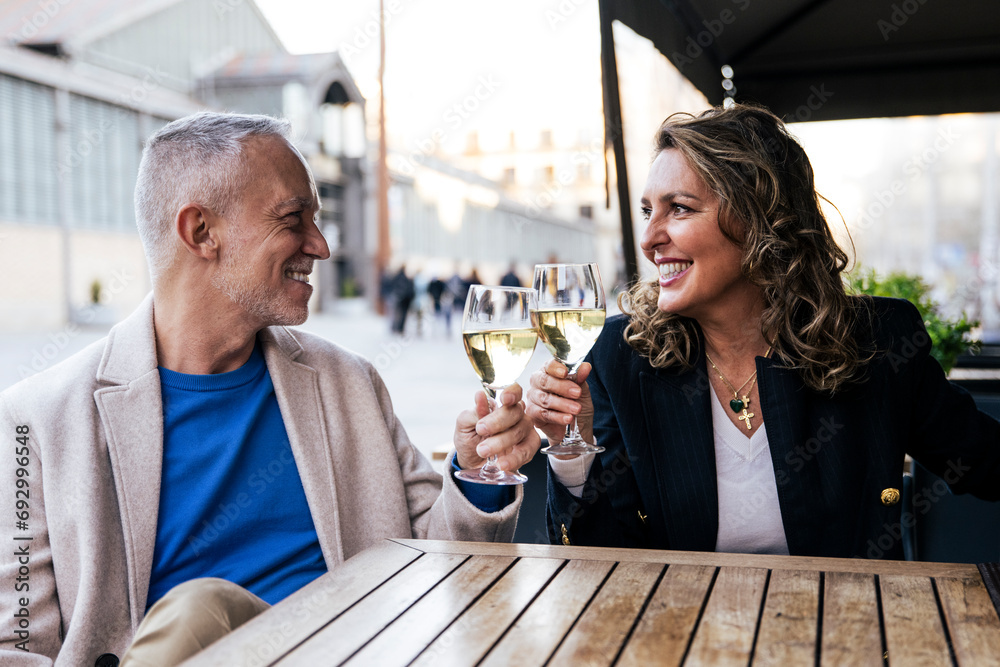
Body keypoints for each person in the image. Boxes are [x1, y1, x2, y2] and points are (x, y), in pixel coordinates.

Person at [0, 113, 539, 666]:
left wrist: (477, 473)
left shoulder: (350, 383)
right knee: (199, 612)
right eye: (293, 219)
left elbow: (437, 564)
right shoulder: (36, 422)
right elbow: (16, 647)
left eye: (318, 217)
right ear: (201, 232)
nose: (322, 245)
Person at [526, 103, 1000, 559]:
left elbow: (986, 463)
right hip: (676, 634)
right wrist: (573, 447)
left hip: (846, 629)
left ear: (760, 219)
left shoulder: (876, 344)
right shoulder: (621, 355)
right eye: (648, 211)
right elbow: (603, 562)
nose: (650, 238)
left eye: (681, 208)